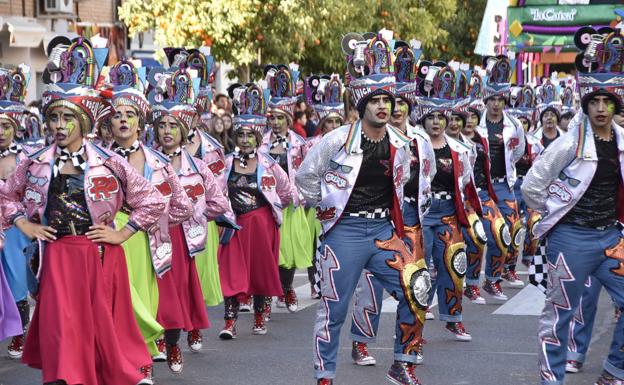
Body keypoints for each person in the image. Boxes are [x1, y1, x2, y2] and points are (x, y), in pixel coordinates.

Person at [0, 36, 164, 385]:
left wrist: (122, 233)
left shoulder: (110, 163)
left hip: (98, 257)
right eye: (53, 117)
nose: (59, 126)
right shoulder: (34, 163)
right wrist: (21, 224)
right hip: (57, 258)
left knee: (99, 331)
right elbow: (6, 196)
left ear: (84, 122)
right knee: (61, 331)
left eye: (66, 118)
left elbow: (152, 201)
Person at [297, 32, 428, 385]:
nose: (385, 106)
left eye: (388, 99)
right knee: (333, 310)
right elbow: (306, 177)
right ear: (362, 104)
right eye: (376, 100)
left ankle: (402, 363)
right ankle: (324, 376)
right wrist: (327, 213)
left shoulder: (402, 143)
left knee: (417, 289)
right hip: (345, 233)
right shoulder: (336, 140)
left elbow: (416, 184)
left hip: (384, 232)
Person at [522, 29, 624, 385]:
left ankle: (614, 371)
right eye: (594, 101)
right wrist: (553, 215)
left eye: (607, 102)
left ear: (616, 105)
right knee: (559, 313)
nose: (600, 108)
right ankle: (552, 380)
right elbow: (532, 184)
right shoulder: (569, 144)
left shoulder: (623, 142)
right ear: (585, 104)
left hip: (612, 237)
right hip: (571, 240)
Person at [107, 59, 193, 379]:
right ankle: (120, 362)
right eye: (117, 116)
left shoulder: (159, 163)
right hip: (111, 239)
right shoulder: (97, 159)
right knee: (115, 304)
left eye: (130, 115)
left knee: (143, 302)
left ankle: (143, 361)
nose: (124, 121)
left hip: (143, 241)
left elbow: (183, 207)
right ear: (109, 124)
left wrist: (157, 224)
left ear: (141, 123)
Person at [150, 65, 234, 374]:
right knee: (153, 295)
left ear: (185, 130)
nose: (167, 131)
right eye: (162, 125)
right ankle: (154, 344)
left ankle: (172, 343)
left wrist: (195, 217)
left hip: (183, 239)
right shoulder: (143, 161)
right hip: (150, 237)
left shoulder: (198, 167)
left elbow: (218, 202)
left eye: (174, 125)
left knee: (174, 298)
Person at [218, 82, 292, 338]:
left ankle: (260, 316)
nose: (246, 140)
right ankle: (229, 323)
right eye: (241, 135)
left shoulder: (269, 164)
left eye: (251, 136)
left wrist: (280, 208)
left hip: (261, 224)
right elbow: (214, 192)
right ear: (235, 137)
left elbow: (287, 190)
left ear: (258, 138)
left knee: (260, 272)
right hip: (234, 225)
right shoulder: (226, 162)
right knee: (231, 273)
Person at [261, 64, 311, 314]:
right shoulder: (260, 143)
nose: (277, 122)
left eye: (282, 118)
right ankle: (268, 295)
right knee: (270, 252)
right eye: (273, 118)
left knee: (289, 252)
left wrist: (300, 196)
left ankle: (287, 287)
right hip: (267, 205)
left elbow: (305, 173)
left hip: (291, 205)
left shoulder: (299, 144)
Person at [476, 55, 526, 295]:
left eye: (500, 99)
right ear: (486, 100)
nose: (496, 104)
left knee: (513, 230)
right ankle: (488, 278)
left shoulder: (514, 124)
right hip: (482, 187)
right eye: (492, 99)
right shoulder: (475, 123)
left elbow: (519, 151)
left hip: (504, 184)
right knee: (496, 231)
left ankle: (502, 271)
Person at [0, 65, 34, 358]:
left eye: (6, 126)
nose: (0, 132)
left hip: (15, 231)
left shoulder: (26, 159)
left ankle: (19, 331)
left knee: (16, 280)